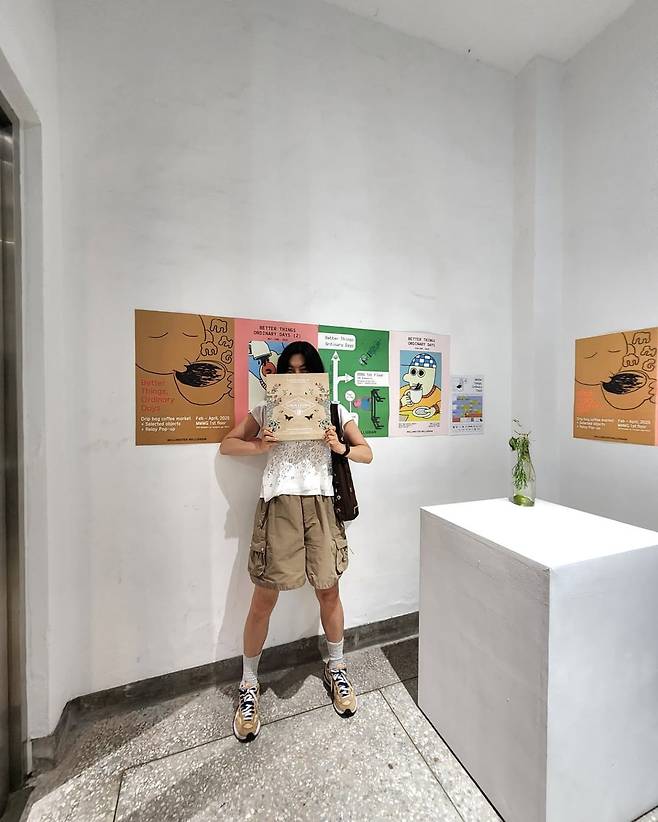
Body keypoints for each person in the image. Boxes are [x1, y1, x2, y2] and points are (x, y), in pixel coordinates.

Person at [220, 340, 373, 741]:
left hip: (321, 504)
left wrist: (339, 446)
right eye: (291, 369)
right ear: (281, 374)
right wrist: (259, 444)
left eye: (306, 370)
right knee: (264, 597)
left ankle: (337, 667)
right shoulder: (267, 410)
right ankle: (248, 684)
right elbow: (227, 444)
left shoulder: (334, 411)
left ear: (317, 373)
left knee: (328, 590)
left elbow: (367, 452)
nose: (298, 376)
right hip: (279, 503)